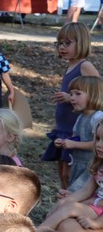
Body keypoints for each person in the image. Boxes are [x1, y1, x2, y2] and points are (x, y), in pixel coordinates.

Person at [42, 22, 99, 190]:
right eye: (60, 43)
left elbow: (97, 92)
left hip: (76, 128)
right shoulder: (70, 66)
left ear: (81, 42)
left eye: (67, 43)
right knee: (62, 171)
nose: (62, 47)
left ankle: (71, 197)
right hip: (64, 127)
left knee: (70, 171)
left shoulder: (85, 66)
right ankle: (64, 195)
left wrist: (69, 98)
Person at [56, 75, 103, 194]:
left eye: (78, 94)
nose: (72, 98)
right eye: (71, 94)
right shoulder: (80, 117)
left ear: (93, 94)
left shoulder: (97, 117)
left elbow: (96, 143)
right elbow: (75, 138)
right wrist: (64, 142)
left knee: (80, 193)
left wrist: (74, 144)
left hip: (90, 166)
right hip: (77, 164)